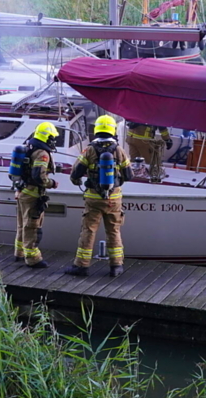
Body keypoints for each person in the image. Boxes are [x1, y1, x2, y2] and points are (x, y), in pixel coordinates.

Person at [64, 115, 133, 278]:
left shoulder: (89, 150)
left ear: (96, 129)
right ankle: (116, 266)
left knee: (88, 231)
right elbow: (129, 175)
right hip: (113, 199)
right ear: (113, 130)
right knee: (113, 231)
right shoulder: (119, 150)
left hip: (93, 198)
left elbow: (76, 173)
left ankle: (81, 266)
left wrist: (77, 181)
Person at [13, 122, 60, 269]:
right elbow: (38, 176)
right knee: (32, 227)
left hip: (22, 191)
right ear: (47, 137)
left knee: (22, 224)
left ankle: (19, 253)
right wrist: (51, 183)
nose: (54, 141)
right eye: (53, 138)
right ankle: (32, 259)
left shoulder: (29, 147)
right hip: (33, 195)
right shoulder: (42, 154)